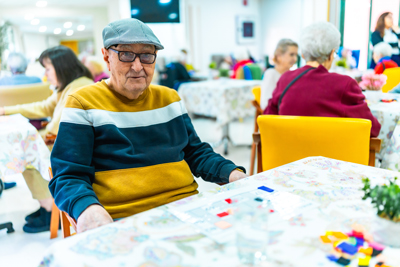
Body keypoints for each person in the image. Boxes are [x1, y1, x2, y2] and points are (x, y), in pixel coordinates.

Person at [49, 18, 248, 233]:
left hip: (186, 210)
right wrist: (87, 209)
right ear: (106, 56)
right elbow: (68, 175)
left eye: (146, 55)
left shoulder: (170, 98)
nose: (137, 66)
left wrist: (232, 173)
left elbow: (195, 152)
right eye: (126, 54)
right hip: (121, 219)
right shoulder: (82, 103)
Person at [0, 46, 93, 233]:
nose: (45, 74)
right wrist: (7, 110)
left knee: (25, 155)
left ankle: (51, 209)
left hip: (69, 147)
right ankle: (46, 205)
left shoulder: (78, 88)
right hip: (61, 141)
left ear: (61, 67)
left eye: (48, 69)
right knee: (25, 150)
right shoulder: (69, 85)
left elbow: (58, 130)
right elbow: (43, 107)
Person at [264, 22, 381, 137]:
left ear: (303, 55)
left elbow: (268, 119)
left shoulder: (285, 79)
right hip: (332, 155)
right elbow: (372, 129)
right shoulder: (345, 84)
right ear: (331, 54)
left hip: (289, 154)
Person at [260, 39, 298, 110]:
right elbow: (265, 104)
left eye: (296, 55)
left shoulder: (293, 75)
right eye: (291, 54)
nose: (295, 59)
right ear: (279, 56)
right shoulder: (271, 74)